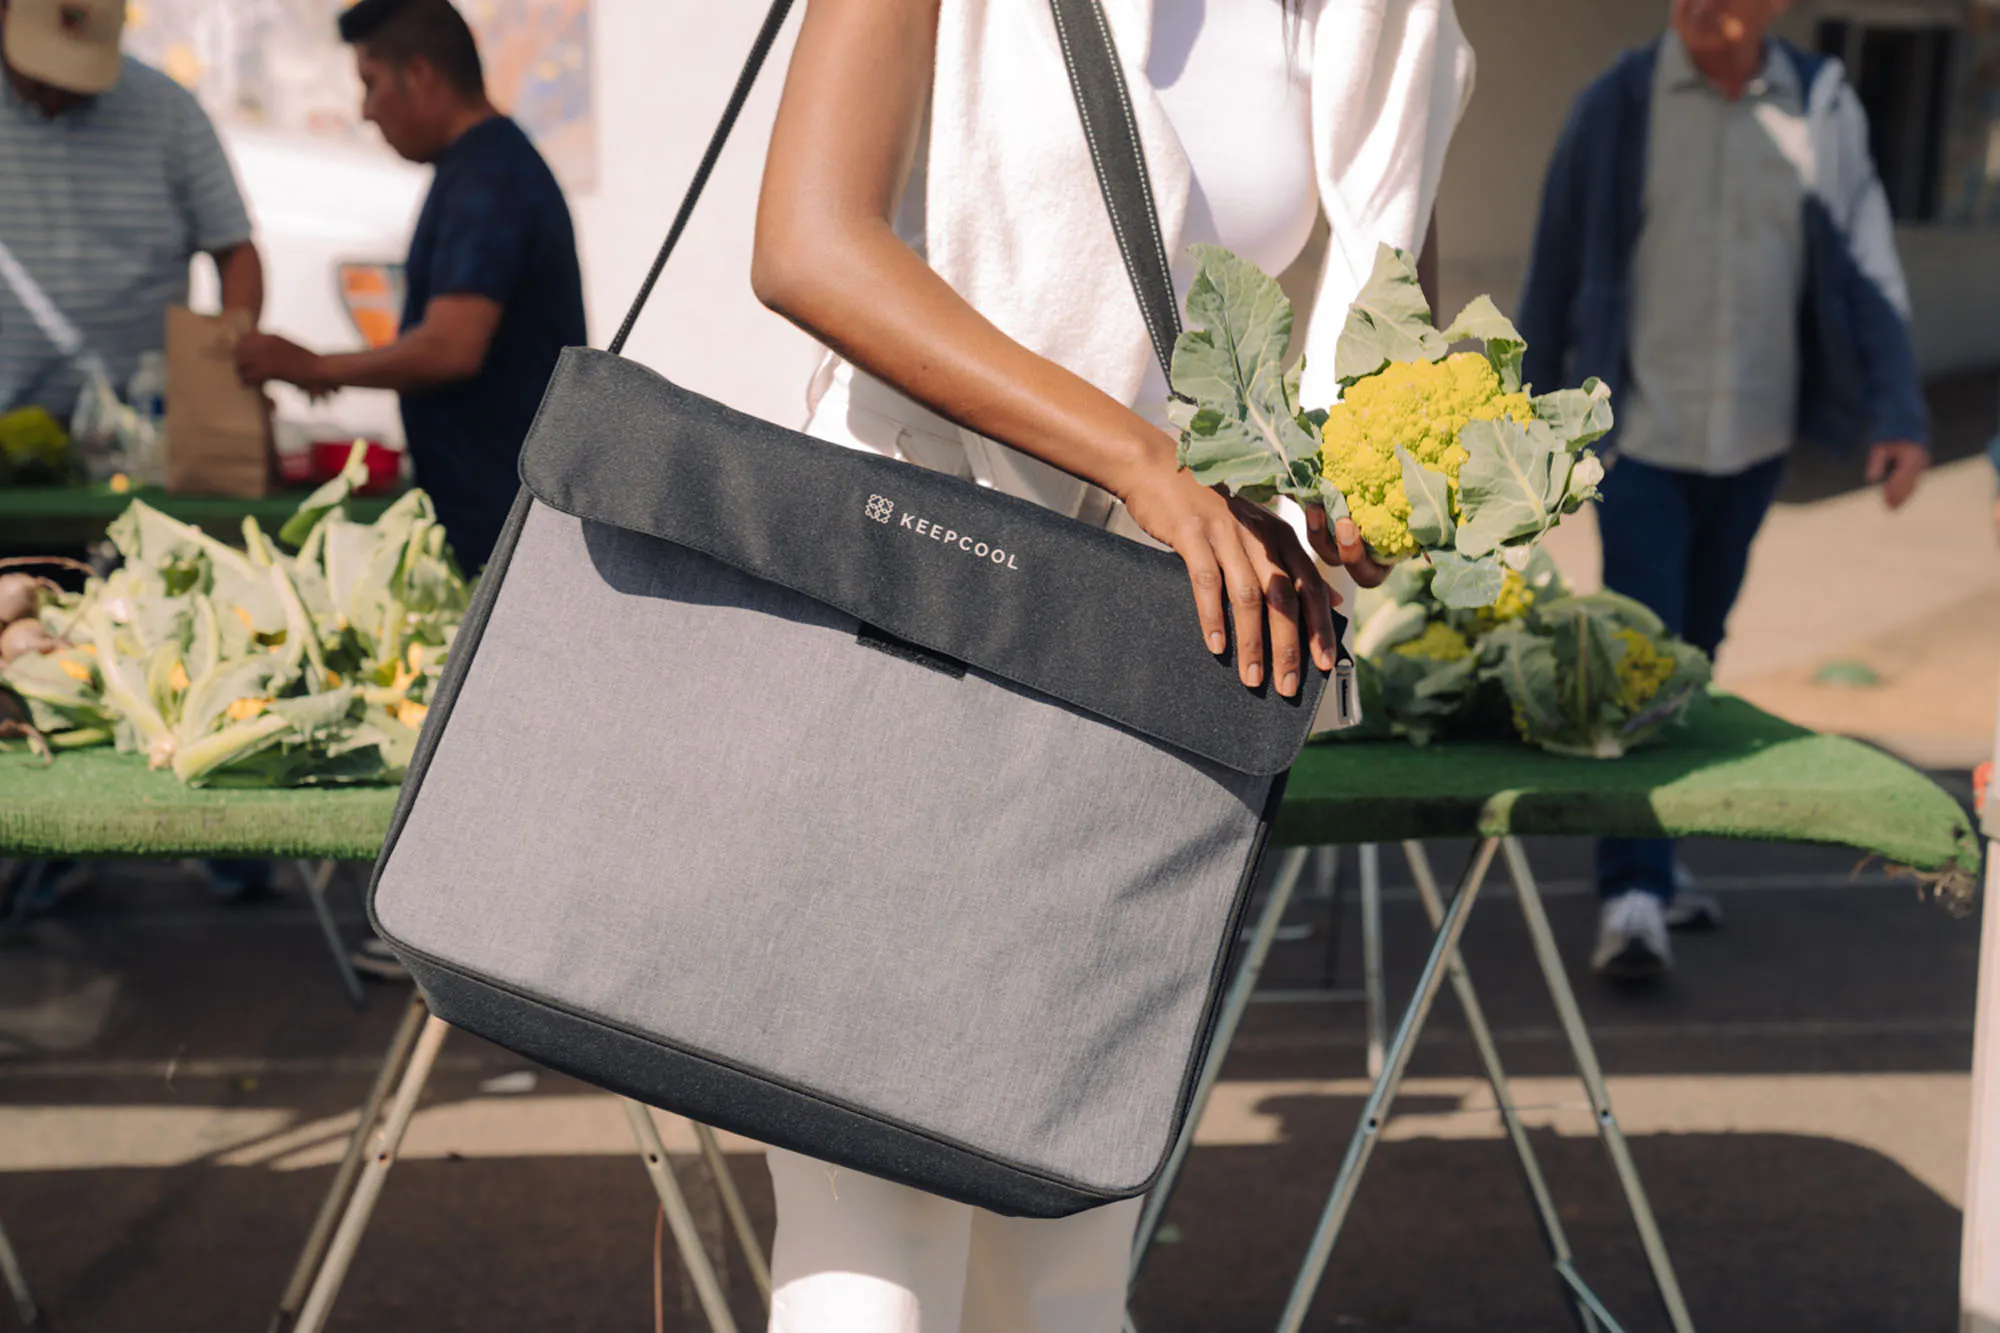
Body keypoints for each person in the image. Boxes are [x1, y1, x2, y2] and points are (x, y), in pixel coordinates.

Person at [750, 0, 1472, 1327]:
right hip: (908, 612)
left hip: (1136, 672)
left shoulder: (1363, 23)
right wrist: (1144, 461)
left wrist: (1361, 490)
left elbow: (1385, 329)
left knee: (1066, 1236)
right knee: (878, 1239)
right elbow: (807, 246)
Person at [1516, 0, 1930, 982]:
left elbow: (1867, 266)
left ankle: (1656, 850)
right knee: (1640, 659)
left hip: (1753, 439)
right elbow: (1553, 269)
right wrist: (1522, 425)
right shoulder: (1613, 105)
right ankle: (1630, 892)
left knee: (1695, 651)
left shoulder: (1820, 106)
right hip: (1641, 440)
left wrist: (1897, 413)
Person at [236, 0, 585, 577]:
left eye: (371, 85)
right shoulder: (475, 168)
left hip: (504, 504)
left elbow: (451, 347)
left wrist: (317, 366)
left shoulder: (488, 180)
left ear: (420, 74)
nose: (367, 112)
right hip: (495, 499)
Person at [0, 0, 263, 422]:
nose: (53, 88)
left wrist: (223, 361)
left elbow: (235, 251)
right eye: (38, 74)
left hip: (142, 426)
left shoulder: (171, 112)